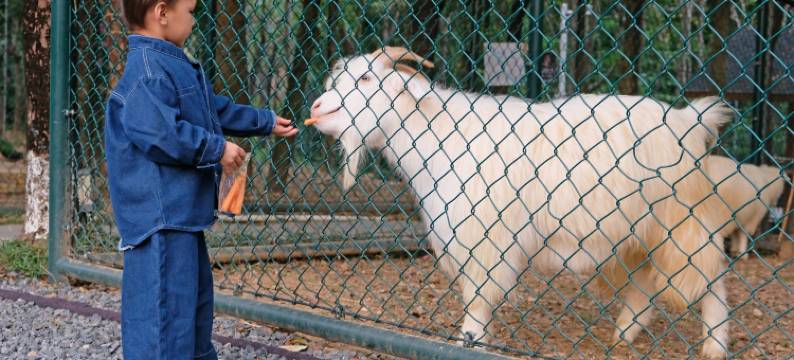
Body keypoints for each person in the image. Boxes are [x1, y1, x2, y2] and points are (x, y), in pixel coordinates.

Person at [104, 1, 297, 358]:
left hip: (182, 216)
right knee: (164, 318)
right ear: (162, 13)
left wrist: (265, 121)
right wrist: (216, 148)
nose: (194, 18)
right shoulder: (147, 72)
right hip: (160, 223)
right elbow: (163, 135)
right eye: (189, 10)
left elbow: (213, 110)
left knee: (192, 308)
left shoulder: (172, 63)